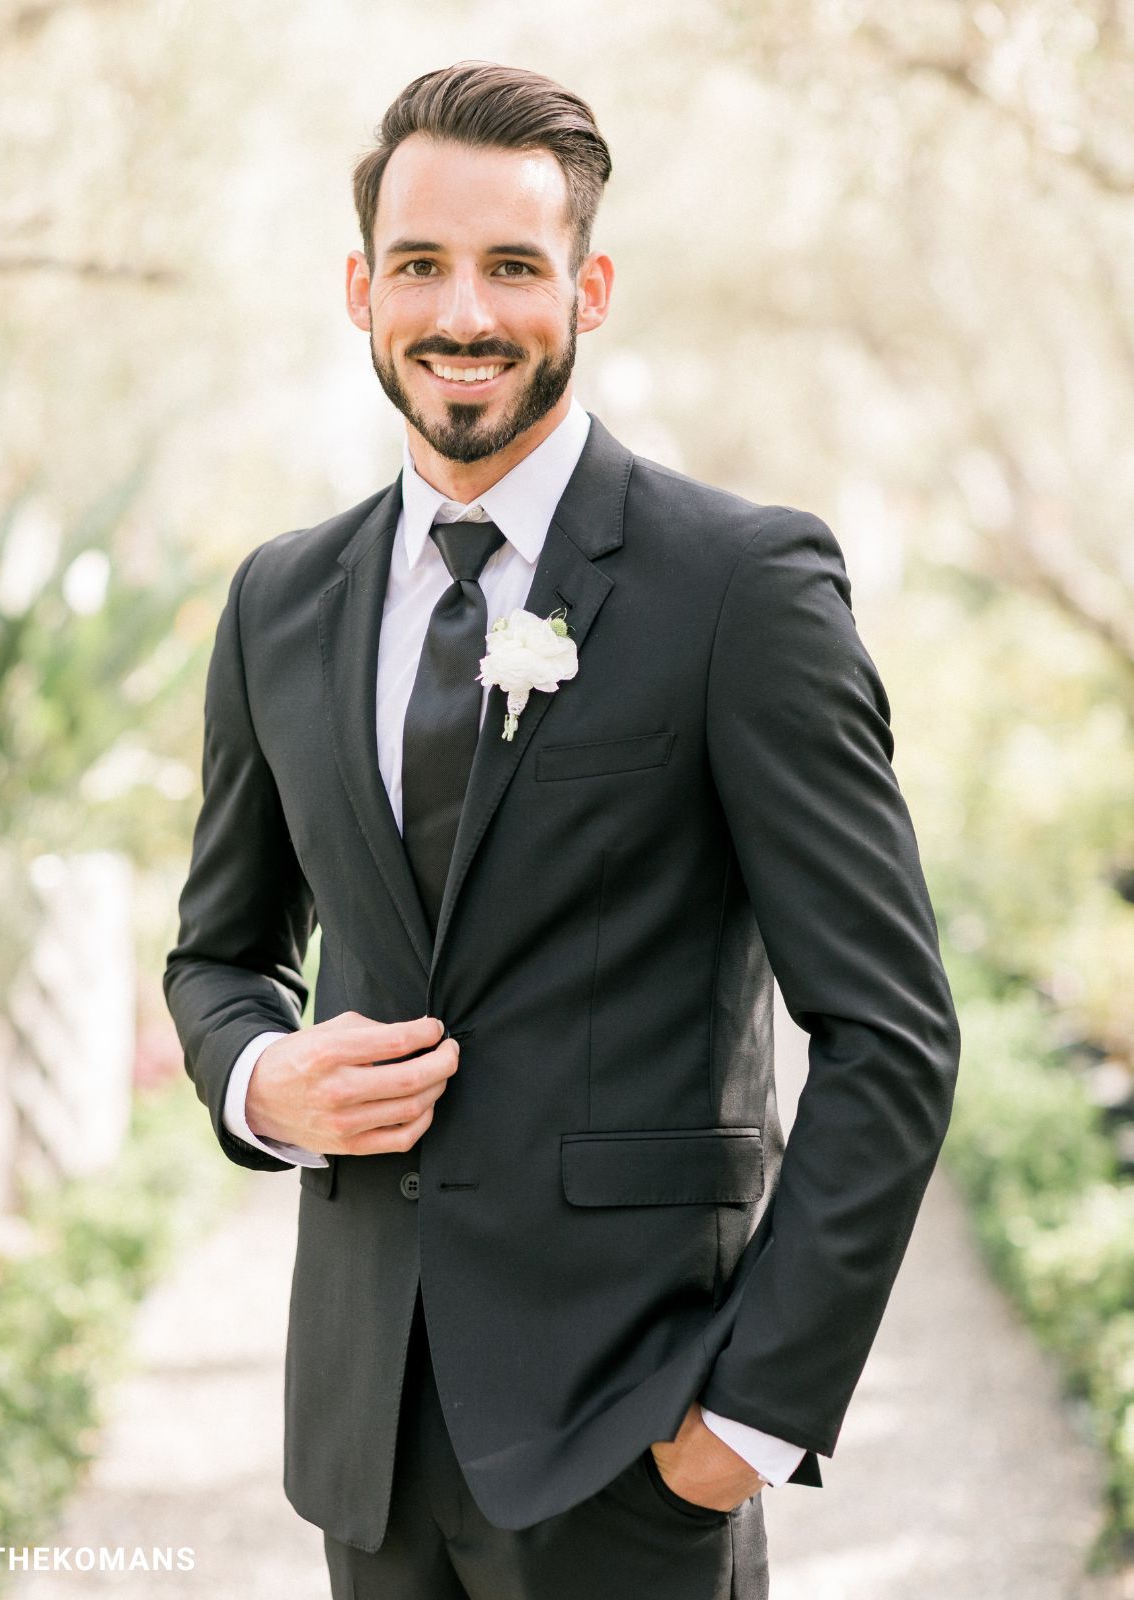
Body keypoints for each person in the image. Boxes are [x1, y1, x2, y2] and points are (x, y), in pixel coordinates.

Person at [163, 60, 960, 1600]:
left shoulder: (741, 589)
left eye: (512, 266)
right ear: (361, 290)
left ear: (586, 284)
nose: (463, 312)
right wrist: (267, 1079)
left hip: (631, 1448)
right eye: (421, 265)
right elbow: (219, 952)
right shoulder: (279, 601)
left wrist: (745, 1416)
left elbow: (889, 1035)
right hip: (364, 1452)